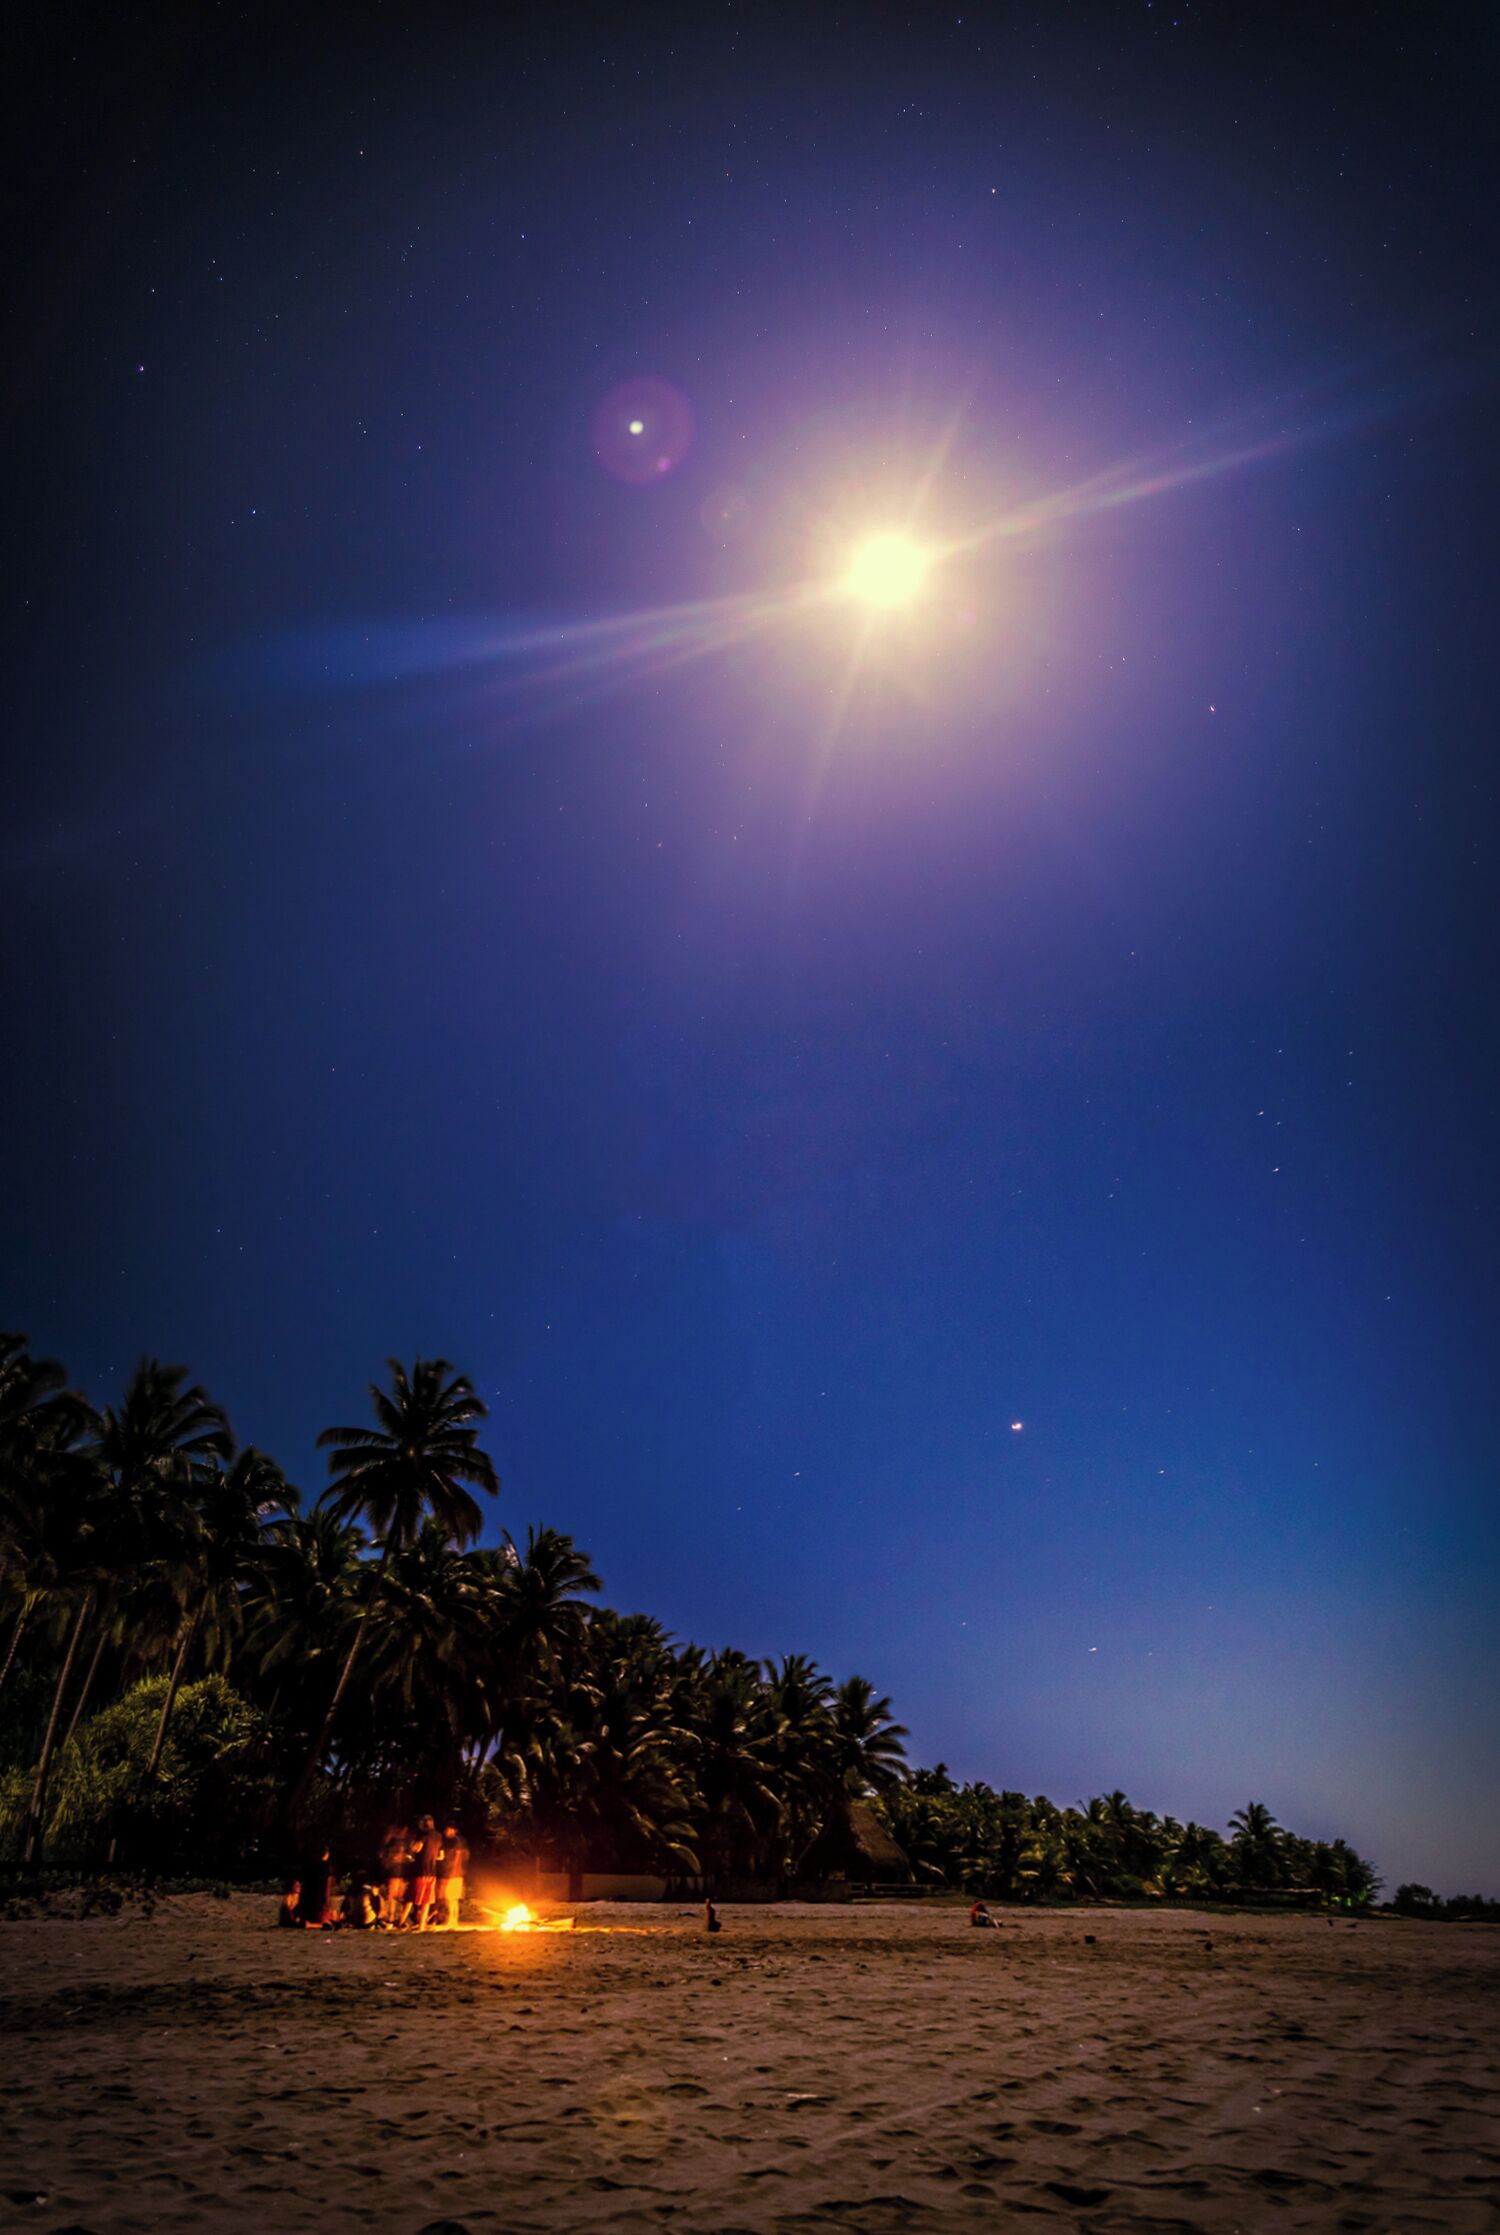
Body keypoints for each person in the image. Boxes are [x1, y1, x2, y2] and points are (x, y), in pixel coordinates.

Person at [410, 1815, 442, 1930]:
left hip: (421, 1870)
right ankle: (422, 1925)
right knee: (427, 1901)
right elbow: (440, 1856)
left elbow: (417, 1848)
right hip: (432, 1872)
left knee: (417, 1899)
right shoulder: (438, 1836)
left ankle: (416, 1923)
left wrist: (411, 1849)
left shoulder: (423, 1835)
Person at [379, 1822, 412, 1931]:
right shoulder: (394, 1843)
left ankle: (397, 1918)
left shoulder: (403, 1843)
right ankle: (392, 1917)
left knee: (398, 1896)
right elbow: (388, 1856)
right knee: (392, 1896)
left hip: (400, 1873)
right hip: (394, 1872)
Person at [437, 1823, 468, 1930]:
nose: (446, 1832)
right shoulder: (460, 1842)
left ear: (454, 1830)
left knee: (449, 1898)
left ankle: (451, 1920)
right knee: (453, 1899)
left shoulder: (452, 1843)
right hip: (457, 1873)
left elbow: (450, 1858)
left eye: (448, 1830)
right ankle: (454, 1920)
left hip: (451, 1874)